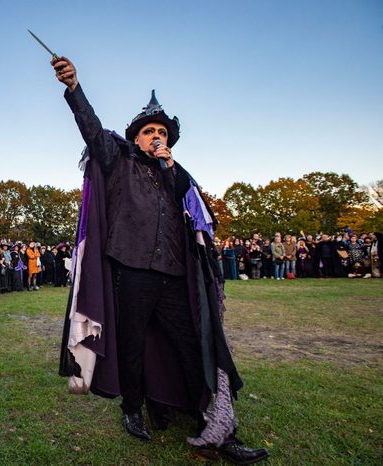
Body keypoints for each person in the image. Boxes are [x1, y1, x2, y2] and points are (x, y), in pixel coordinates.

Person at [53, 57, 267, 463]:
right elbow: (92, 128)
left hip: (173, 273)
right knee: (131, 345)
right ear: (136, 137)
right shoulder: (119, 160)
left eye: (161, 132)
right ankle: (133, 408)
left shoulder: (179, 176)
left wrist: (171, 167)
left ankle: (210, 417)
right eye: (149, 131)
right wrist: (74, 86)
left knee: (192, 344)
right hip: (130, 270)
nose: (155, 136)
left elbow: (200, 222)